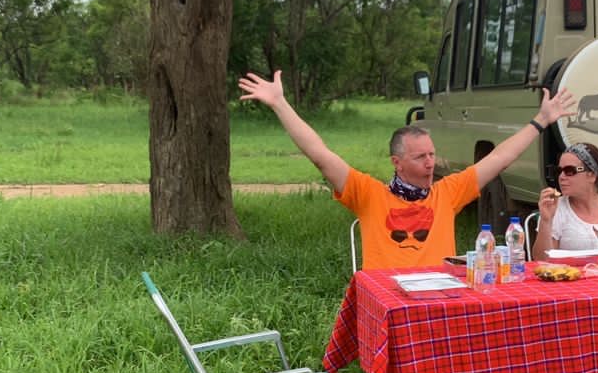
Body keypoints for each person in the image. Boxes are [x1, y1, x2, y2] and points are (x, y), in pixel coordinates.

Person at [237, 70, 576, 269]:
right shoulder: (368, 195)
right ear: (397, 163)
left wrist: (541, 121)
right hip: (388, 300)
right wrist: (280, 104)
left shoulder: (447, 192)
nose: (430, 163)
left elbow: (499, 158)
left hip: (438, 299)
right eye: (420, 158)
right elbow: (320, 155)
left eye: (432, 154)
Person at [532, 142, 598, 257]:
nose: (561, 177)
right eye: (558, 171)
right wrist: (546, 221)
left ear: (592, 175)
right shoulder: (555, 209)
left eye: (569, 171)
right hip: (571, 274)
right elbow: (541, 261)